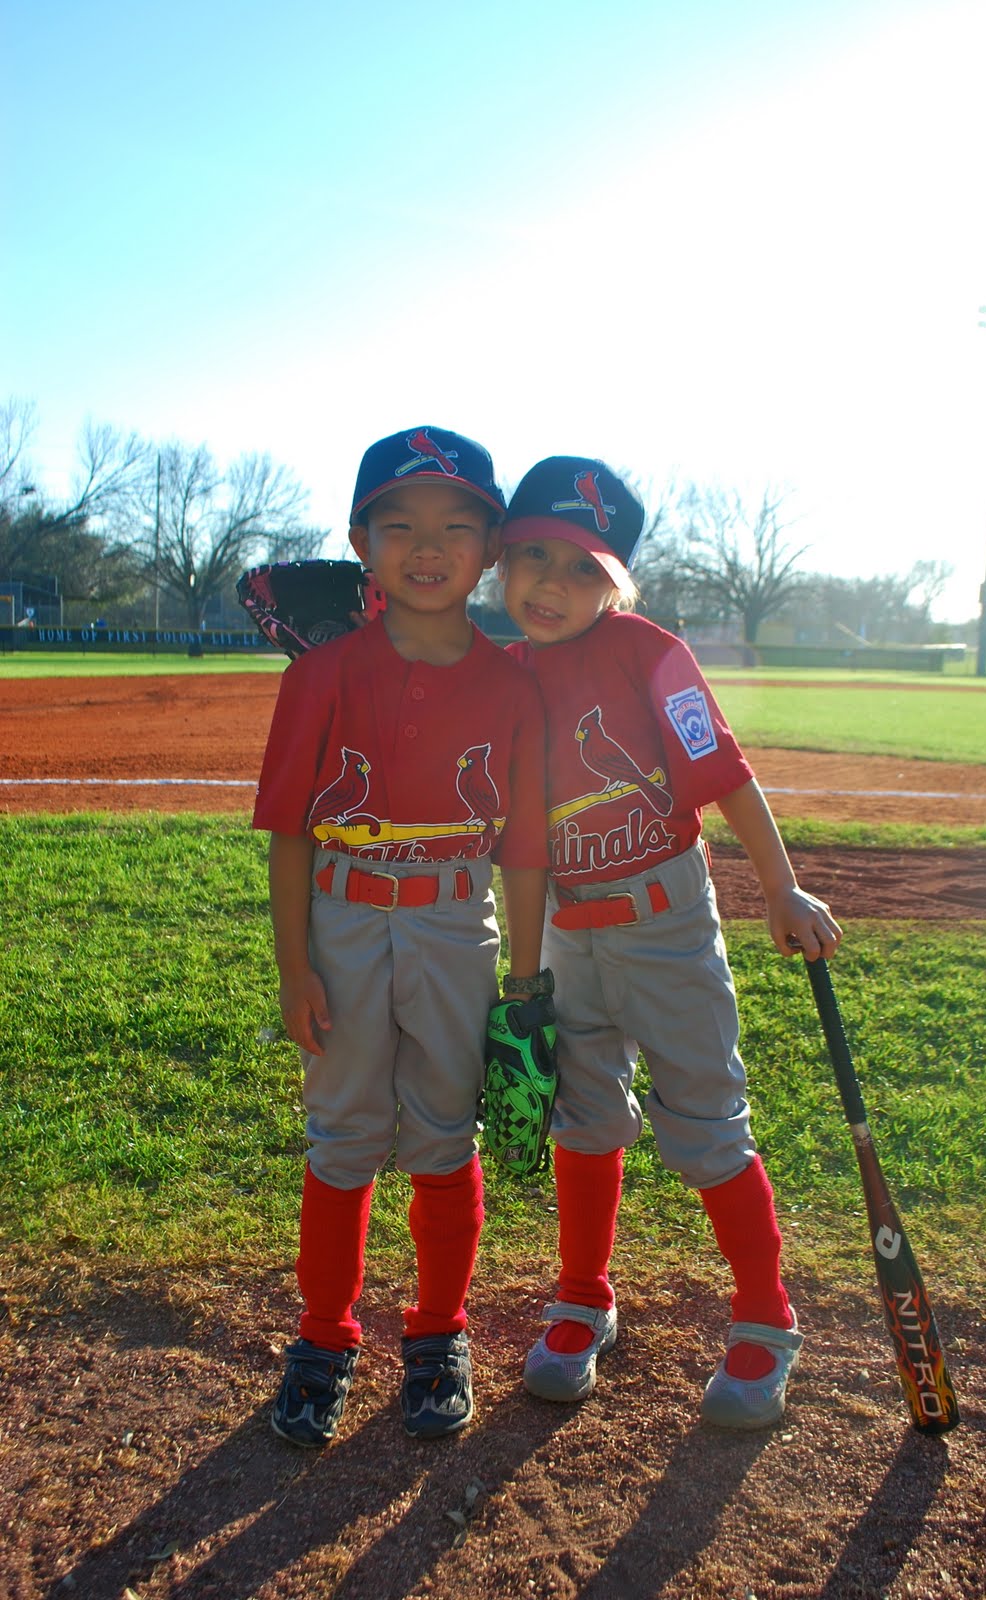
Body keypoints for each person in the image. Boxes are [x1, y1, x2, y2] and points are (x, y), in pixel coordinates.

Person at [497, 456, 842, 1428]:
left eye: (581, 568)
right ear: (501, 562)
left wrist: (781, 887)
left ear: (615, 585)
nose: (551, 585)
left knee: (704, 1117)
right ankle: (583, 1296)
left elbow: (724, 774)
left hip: (665, 923)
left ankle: (766, 1315)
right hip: (564, 928)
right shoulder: (503, 674)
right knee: (582, 1115)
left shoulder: (650, 653)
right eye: (534, 557)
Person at [253, 426, 549, 1447]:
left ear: (491, 547)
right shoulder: (320, 675)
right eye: (400, 526)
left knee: (442, 1133)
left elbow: (522, 849)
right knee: (341, 1133)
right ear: (360, 544)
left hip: (456, 919)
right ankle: (323, 1334)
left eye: (457, 527)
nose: (428, 547)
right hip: (341, 916)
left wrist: (525, 981)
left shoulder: (514, 685)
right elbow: (291, 833)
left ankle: (438, 1330)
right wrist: (295, 967)